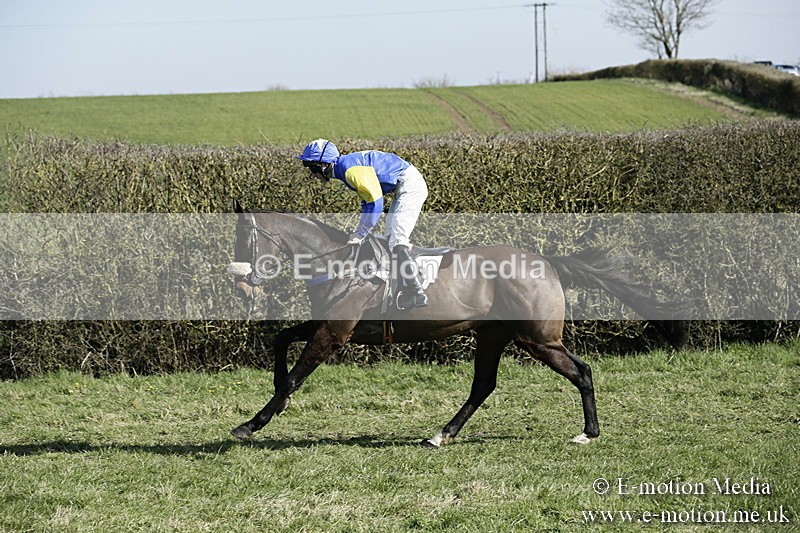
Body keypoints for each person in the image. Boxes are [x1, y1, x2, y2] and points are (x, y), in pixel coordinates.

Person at [297, 139, 429, 309]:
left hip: (409, 185)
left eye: (312, 167)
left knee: (397, 240)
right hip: (403, 185)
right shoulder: (344, 168)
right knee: (391, 239)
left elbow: (376, 202)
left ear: (324, 164)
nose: (312, 174)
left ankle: (417, 293)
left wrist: (361, 233)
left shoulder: (349, 170)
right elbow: (368, 202)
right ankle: (400, 286)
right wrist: (361, 230)